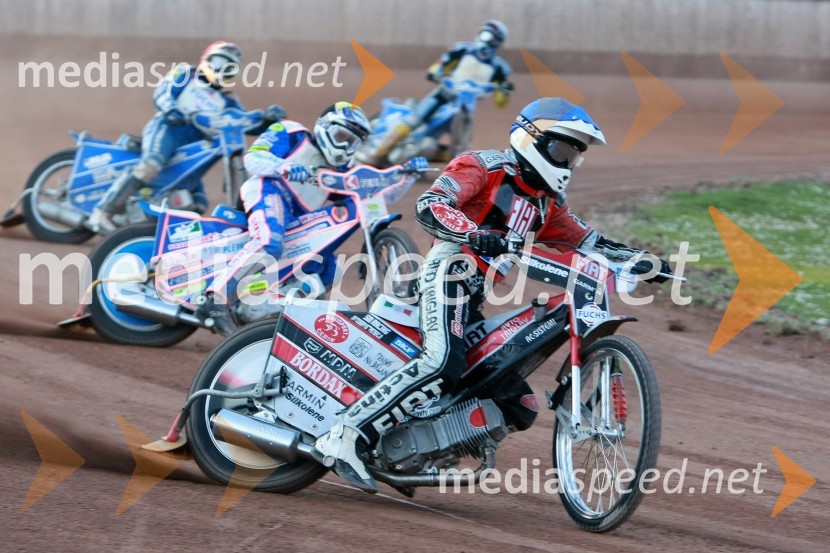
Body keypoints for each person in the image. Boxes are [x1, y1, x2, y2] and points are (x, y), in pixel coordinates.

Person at [314, 97, 674, 492]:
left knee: (516, 403)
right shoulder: (484, 167)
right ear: (530, 140)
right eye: (561, 149)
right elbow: (430, 204)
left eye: (574, 155)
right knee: (440, 364)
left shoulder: (546, 204)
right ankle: (343, 435)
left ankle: (412, 453)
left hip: (473, 297)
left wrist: (641, 260)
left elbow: (590, 241)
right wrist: (472, 233)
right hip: (449, 271)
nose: (567, 162)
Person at [195, 101, 375, 335]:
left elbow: (363, 196)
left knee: (327, 266)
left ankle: (274, 319)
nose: (345, 147)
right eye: (341, 137)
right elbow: (253, 157)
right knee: (269, 243)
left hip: (296, 219)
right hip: (269, 190)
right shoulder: (292, 132)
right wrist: (284, 167)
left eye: (352, 143)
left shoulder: (338, 173)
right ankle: (215, 300)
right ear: (325, 127)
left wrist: (406, 174)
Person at [88, 41, 245, 232]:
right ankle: (102, 212)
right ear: (207, 59)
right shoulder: (186, 74)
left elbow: (243, 121)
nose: (222, 70)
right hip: (168, 128)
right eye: (219, 62)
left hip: (192, 147)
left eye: (229, 67)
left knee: (198, 201)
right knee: (151, 164)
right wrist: (171, 109)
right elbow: (163, 92)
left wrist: (267, 119)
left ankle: (154, 232)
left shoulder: (228, 101)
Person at [370, 20, 514, 162]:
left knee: (462, 139)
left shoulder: (500, 67)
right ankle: (380, 151)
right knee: (417, 118)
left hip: (466, 104)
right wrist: (435, 72)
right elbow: (441, 64)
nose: (486, 40)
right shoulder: (462, 49)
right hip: (444, 94)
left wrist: (505, 92)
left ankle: (456, 163)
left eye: (491, 37)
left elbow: (500, 100)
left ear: (498, 42)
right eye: (485, 34)